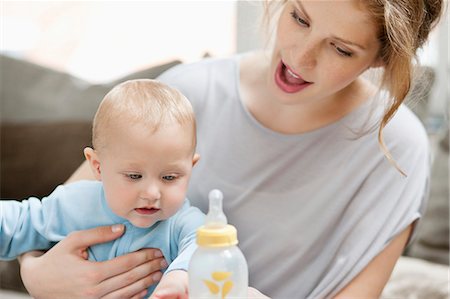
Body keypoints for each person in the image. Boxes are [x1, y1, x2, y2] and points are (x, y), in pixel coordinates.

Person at [18, 0, 444, 298]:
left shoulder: (396, 149)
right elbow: (56, 216)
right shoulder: (189, 91)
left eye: (340, 48)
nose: (300, 54)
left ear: (380, 59)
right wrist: (36, 274)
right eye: (299, 17)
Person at [2, 79, 203, 298]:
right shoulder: (76, 203)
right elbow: (19, 223)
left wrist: (181, 275)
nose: (152, 194)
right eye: (134, 176)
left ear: (190, 168)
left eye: (169, 177)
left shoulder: (183, 223)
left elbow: (206, 247)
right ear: (98, 166)